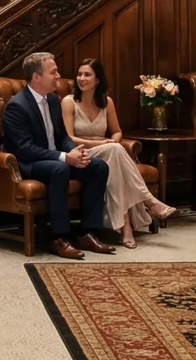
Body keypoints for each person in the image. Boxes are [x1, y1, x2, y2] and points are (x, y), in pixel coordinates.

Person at [0, 51, 113, 259]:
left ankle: (87, 232)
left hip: (55, 158)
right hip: (29, 162)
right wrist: (64, 157)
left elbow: (62, 137)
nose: (58, 76)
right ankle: (58, 237)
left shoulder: (53, 100)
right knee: (59, 169)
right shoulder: (17, 106)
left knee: (98, 167)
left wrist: (75, 151)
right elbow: (25, 148)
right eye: (53, 72)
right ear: (37, 77)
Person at [62, 59, 174, 247]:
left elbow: (117, 131)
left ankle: (126, 227)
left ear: (98, 79)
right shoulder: (68, 101)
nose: (81, 78)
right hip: (81, 152)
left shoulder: (107, 102)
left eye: (87, 74)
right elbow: (68, 138)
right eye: (79, 74)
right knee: (114, 150)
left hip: (107, 152)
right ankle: (149, 201)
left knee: (115, 157)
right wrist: (101, 143)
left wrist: (112, 141)